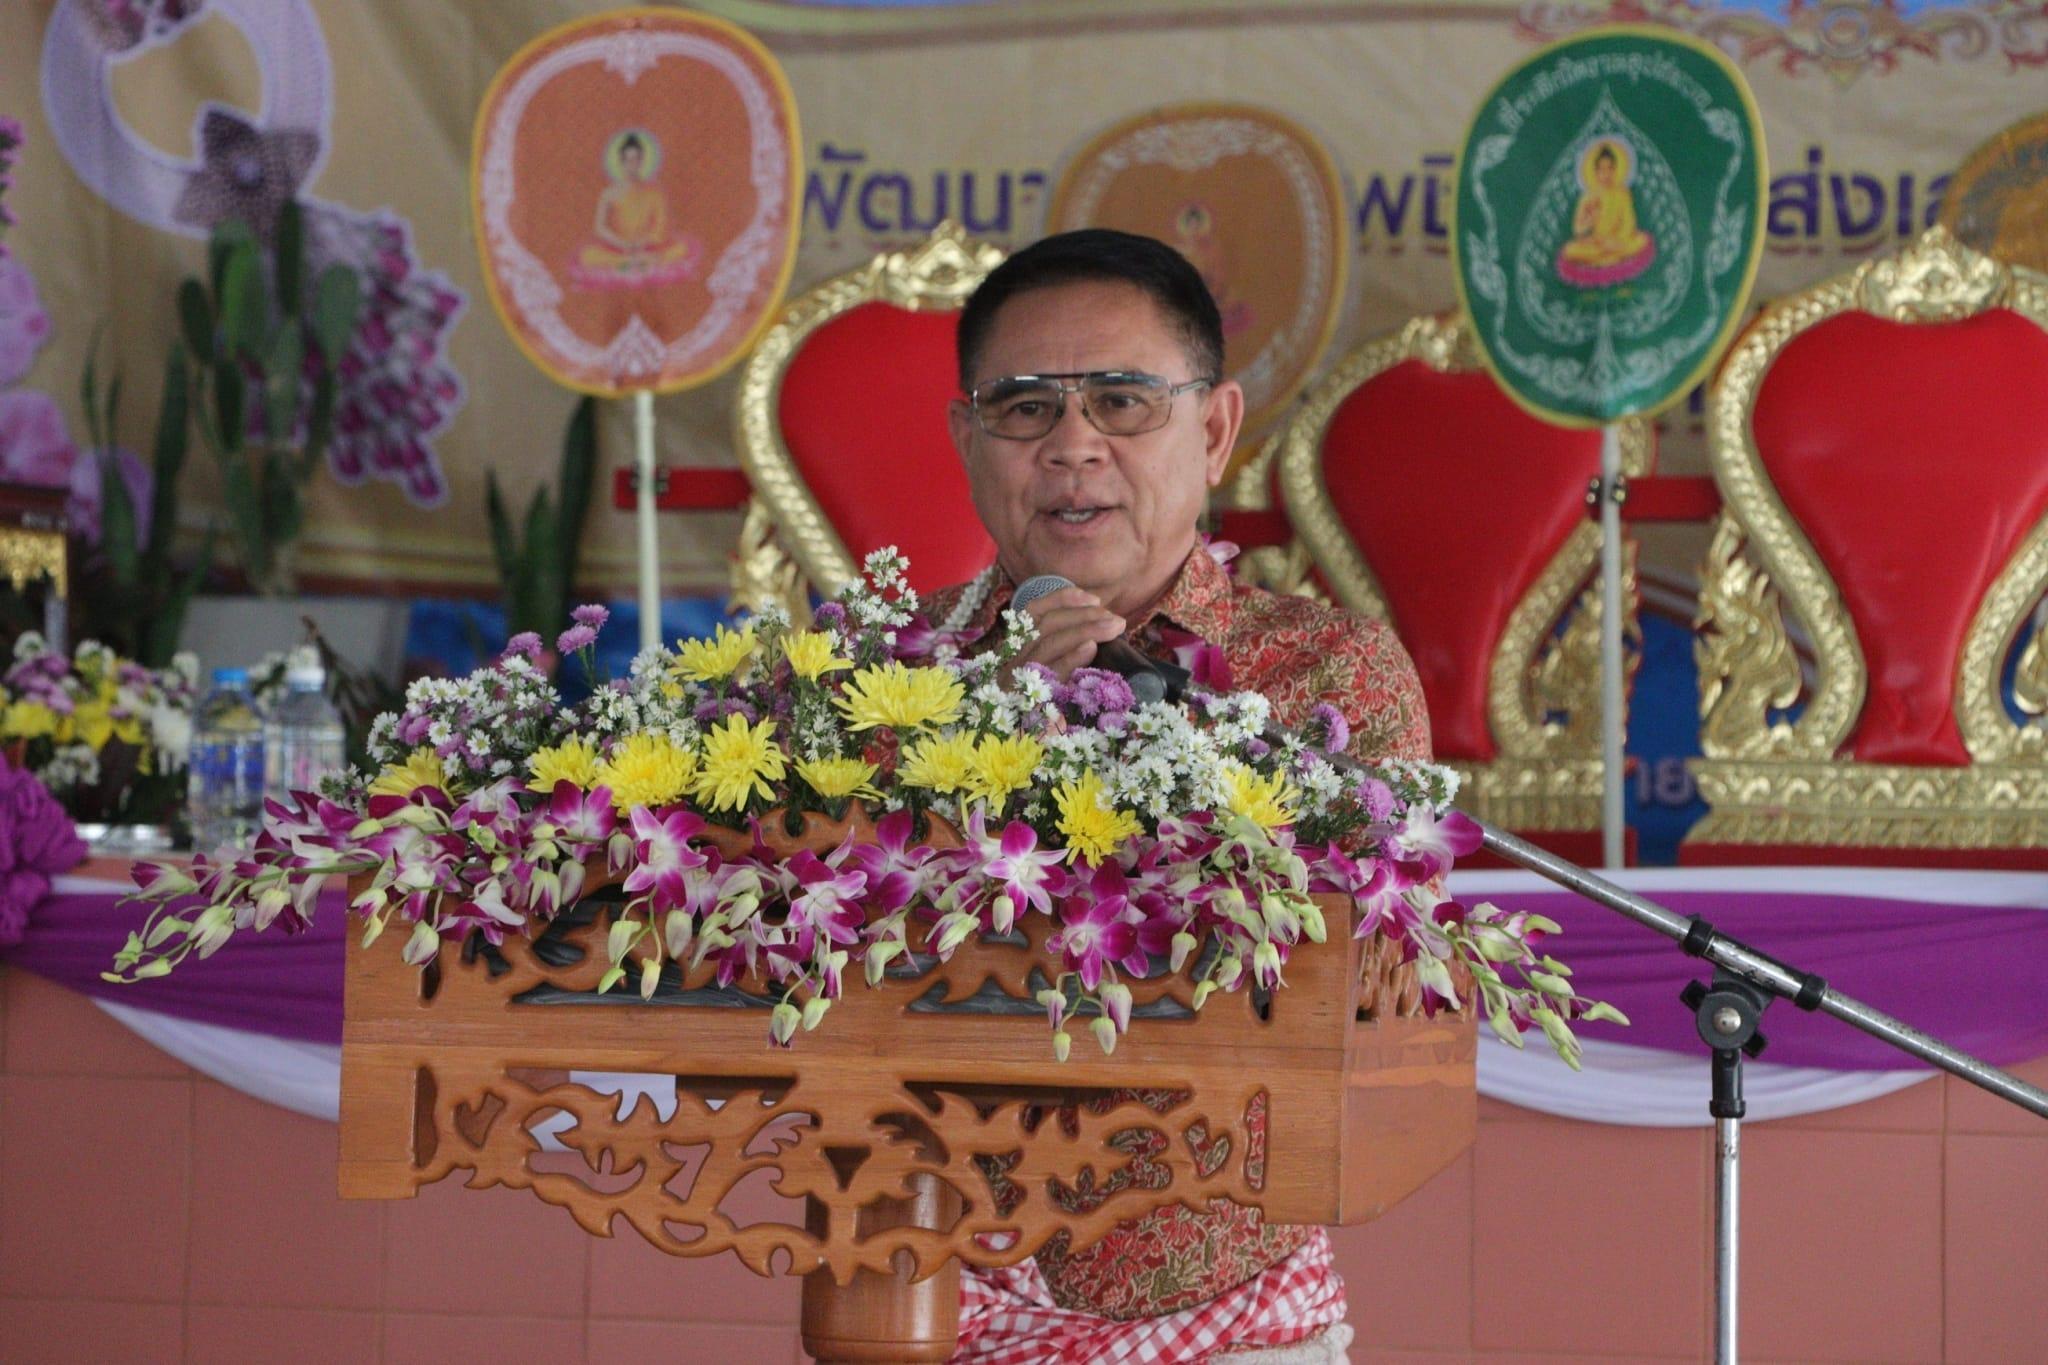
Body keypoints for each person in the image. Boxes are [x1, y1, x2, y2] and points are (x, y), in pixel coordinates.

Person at [929, 228, 1430, 1361]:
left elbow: (1338, 993)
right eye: (1024, 408)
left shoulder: (1323, 680)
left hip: (1226, 1319)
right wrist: (982, 730)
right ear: (966, 439)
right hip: (912, 1309)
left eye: (1120, 401)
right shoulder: (887, 677)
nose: (1072, 446)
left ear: (1212, 431)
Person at [575, 129, 697, 287]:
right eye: (628, 160)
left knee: (681, 249)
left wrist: (642, 243)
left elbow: (660, 228)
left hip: (647, 248)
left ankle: (636, 262)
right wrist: (622, 244)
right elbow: (600, 228)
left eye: (636, 160)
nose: (632, 165)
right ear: (621, 162)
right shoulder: (609, 193)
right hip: (619, 249)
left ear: (642, 161)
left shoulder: (654, 192)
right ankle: (632, 262)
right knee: (587, 256)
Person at [1557, 138, 1655, 285]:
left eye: (1610, 169)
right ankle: (1609, 259)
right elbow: (1578, 230)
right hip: (1595, 244)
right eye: (1602, 170)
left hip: (1618, 242)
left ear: (1616, 170)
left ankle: (1606, 260)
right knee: (1569, 250)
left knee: (1642, 240)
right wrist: (1590, 224)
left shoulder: (1622, 193)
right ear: (1595, 172)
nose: (1606, 174)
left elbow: (1629, 223)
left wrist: (1616, 241)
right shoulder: (1588, 197)